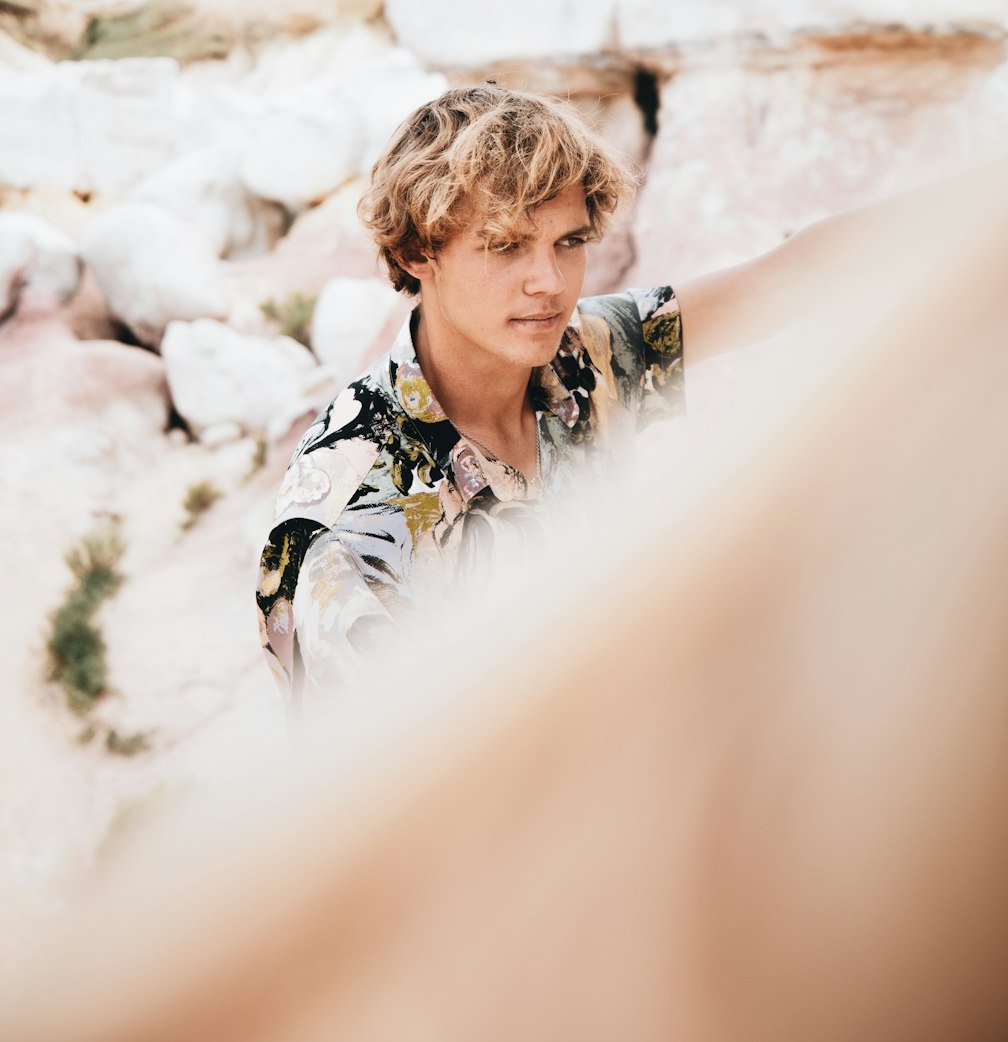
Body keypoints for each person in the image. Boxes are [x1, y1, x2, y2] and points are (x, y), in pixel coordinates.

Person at [254, 80, 965, 709]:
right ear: (418, 252)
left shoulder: (580, 355)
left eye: (568, 242)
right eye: (505, 246)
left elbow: (783, 280)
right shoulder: (349, 524)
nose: (551, 283)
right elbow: (378, 803)